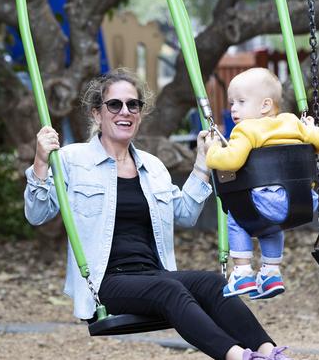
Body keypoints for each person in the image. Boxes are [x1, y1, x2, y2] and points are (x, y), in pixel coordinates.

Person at [24, 68, 291, 360]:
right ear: (97, 114)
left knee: (214, 284)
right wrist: (40, 163)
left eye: (133, 105)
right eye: (114, 104)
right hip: (105, 281)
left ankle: (270, 352)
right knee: (168, 289)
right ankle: (239, 357)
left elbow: (186, 214)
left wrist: (203, 163)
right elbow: (37, 214)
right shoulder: (71, 159)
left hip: (153, 274)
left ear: (139, 113)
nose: (124, 111)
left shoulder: (153, 167)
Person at [205, 68, 319, 300]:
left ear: (264, 106)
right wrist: (311, 129)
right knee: (270, 226)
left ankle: (242, 273)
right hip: (300, 202)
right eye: (232, 102)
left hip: (263, 202)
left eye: (241, 102)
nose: (233, 108)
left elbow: (231, 161)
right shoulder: (293, 123)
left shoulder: (245, 130)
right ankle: (271, 273)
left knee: (236, 217)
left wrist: (212, 150)